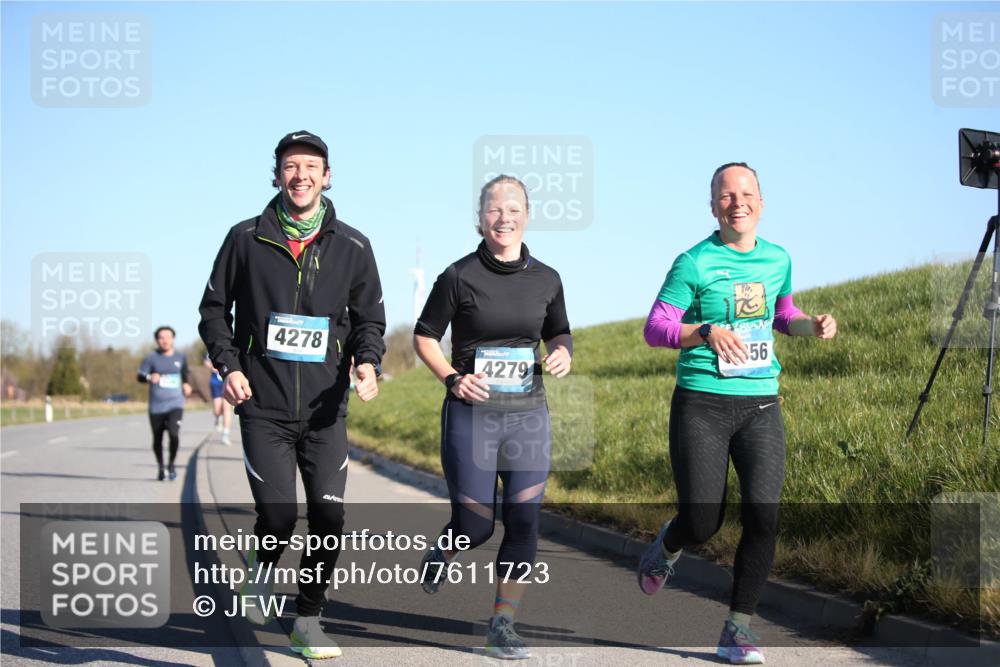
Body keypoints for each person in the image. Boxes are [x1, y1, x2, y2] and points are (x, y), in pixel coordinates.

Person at [638, 162, 837, 665]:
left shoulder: (778, 259)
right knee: (703, 521)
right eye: (726, 196)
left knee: (764, 517)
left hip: (761, 402)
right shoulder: (694, 263)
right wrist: (703, 331)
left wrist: (810, 326)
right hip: (702, 402)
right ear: (713, 206)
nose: (737, 202)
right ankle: (668, 545)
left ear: (761, 203)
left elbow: (781, 314)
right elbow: (656, 327)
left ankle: (737, 629)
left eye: (746, 194)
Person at [198, 130, 386, 660]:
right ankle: (259, 570)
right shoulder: (245, 238)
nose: (300, 175)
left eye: (310, 166)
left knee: (328, 518)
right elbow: (214, 311)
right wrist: (229, 365)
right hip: (264, 406)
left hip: (326, 411)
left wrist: (367, 362)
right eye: (289, 166)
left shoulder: (353, 246)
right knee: (279, 517)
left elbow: (370, 320)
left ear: (327, 177)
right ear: (276, 174)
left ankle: (308, 619)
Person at [413, 174, 572, 660]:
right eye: (494, 209)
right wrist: (451, 378)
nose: (504, 217)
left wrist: (563, 353)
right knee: (477, 526)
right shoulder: (458, 276)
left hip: (527, 416)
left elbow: (559, 331)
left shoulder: (547, 278)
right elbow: (423, 336)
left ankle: (502, 623)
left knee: (524, 521)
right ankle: (444, 549)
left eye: (513, 208)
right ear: (480, 220)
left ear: (527, 215)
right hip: (472, 415)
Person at [137, 326, 192, 481]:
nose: (165, 340)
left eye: (168, 337)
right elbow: (140, 376)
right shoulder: (151, 358)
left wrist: (187, 384)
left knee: (174, 434)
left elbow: (185, 374)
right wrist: (149, 377)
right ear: (157, 340)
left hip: (176, 404)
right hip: (156, 406)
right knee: (157, 439)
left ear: (173, 339)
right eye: (161, 337)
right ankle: (161, 467)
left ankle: (172, 465)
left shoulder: (181, 357)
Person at [204, 353, 232, 445]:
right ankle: (218, 417)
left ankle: (225, 434)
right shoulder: (210, 351)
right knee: (217, 409)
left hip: (226, 379)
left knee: (227, 408)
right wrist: (213, 367)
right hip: (215, 382)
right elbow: (206, 362)